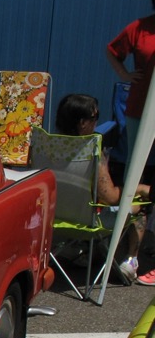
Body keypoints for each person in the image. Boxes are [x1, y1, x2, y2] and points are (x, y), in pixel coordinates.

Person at [55, 93, 152, 284]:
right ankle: (130, 261)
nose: (96, 122)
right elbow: (111, 198)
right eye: (95, 117)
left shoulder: (49, 144)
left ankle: (75, 249)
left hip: (57, 218)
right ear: (83, 123)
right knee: (140, 205)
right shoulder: (92, 150)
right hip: (88, 221)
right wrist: (139, 188)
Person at [106, 0, 155, 165]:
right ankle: (132, 192)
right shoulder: (139, 27)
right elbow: (112, 51)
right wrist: (124, 74)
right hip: (140, 106)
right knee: (136, 161)